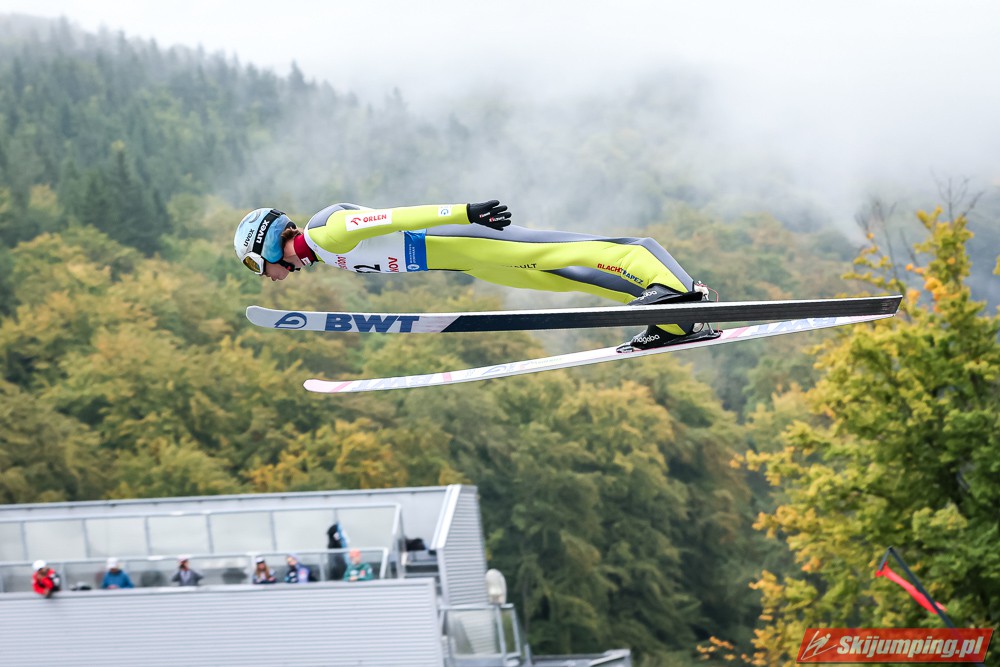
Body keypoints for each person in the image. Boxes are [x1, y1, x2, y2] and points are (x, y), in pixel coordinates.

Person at [233, 201, 718, 349]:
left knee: (571, 250)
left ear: (270, 244)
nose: (267, 276)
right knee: (566, 277)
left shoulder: (327, 233)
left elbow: (399, 217)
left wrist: (467, 212)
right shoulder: (322, 251)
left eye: (257, 265)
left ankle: (677, 289)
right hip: (466, 260)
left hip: (466, 239)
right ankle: (675, 322)